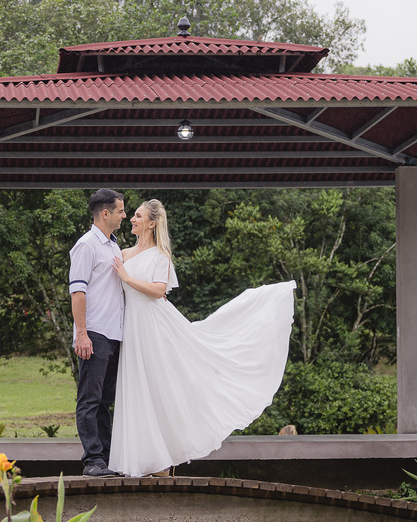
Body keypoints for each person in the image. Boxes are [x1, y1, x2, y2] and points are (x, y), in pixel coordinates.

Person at [108, 199, 295, 477]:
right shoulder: (123, 253)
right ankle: (148, 459)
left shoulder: (161, 257)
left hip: (155, 326)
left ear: (151, 223)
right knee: (138, 387)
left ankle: (163, 459)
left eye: (137, 215)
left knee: (161, 386)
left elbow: (159, 291)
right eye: (132, 215)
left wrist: (125, 277)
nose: (132, 219)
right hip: (133, 328)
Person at [69, 188, 128, 477]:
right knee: (90, 399)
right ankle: (92, 460)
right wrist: (82, 334)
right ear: (105, 213)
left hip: (113, 334)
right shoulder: (86, 245)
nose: (124, 215)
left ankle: (105, 458)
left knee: (105, 400)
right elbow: (77, 291)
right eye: (120, 211)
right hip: (94, 333)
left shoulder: (114, 246)